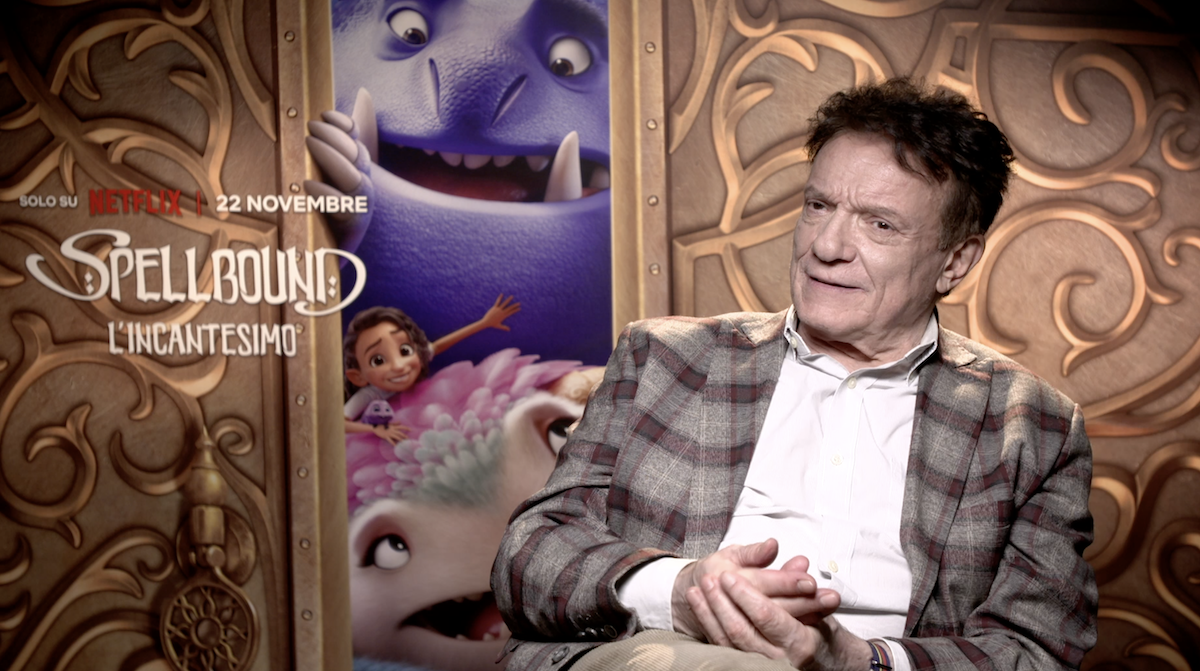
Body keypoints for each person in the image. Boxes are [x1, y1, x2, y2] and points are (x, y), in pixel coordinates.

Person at [492, 77, 1098, 671]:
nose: (827, 246)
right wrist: (681, 590)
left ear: (956, 261)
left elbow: (1035, 649)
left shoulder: (1033, 428)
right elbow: (530, 557)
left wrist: (857, 660)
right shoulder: (665, 359)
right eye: (818, 206)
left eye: (880, 224)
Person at [344, 295, 520, 444]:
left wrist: (484, 323)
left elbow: (437, 346)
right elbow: (340, 424)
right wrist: (375, 429)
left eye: (405, 351)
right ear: (357, 377)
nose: (399, 366)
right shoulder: (369, 395)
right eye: (378, 361)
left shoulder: (421, 356)